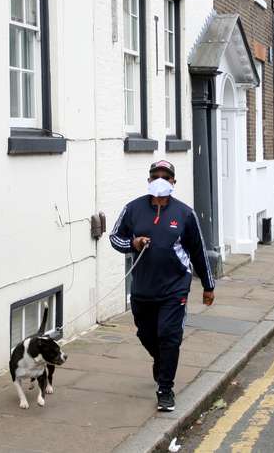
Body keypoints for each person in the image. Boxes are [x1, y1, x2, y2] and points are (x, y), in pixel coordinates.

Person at [109, 160, 215, 412]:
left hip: (175, 287)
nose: (160, 179)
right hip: (143, 288)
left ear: (173, 183)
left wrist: (208, 285)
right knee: (146, 334)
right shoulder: (133, 209)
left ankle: (165, 389)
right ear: (148, 181)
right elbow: (115, 237)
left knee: (169, 336)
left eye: (165, 177)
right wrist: (132, 245)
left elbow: (198, 250)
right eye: (155, 175)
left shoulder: (184, 214)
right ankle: (160, 360)